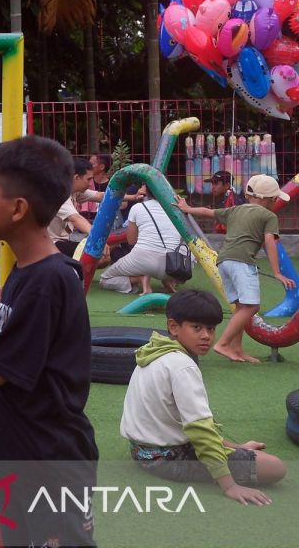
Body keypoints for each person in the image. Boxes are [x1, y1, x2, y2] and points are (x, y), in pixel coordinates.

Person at [0, 136, 98, 548]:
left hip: (49, 459)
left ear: (19, 209)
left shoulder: (49, 280)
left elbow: (0, 371)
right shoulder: (22, 269)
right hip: (17, 449)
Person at [120, 289, 287, 504]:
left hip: (140, 451)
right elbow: (199, 429)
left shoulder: (155, 351)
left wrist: (237, 447)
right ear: (174, 327)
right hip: (166, 459)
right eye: (196, 328)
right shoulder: (182, 366)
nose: (206, 336)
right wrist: (229, 485)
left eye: (211, 328)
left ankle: (234, 450)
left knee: (240, 451)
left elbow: (179, 421)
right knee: (275, 467)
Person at [175, 174, 296, 363]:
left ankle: (236, 349)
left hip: (223, 261)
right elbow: (270, 242)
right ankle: (223, 344)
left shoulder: (235, 210)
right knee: (252, 306)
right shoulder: (269, 216)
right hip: (242, 262)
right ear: (271, 199)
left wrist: (187, 208)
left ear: (249, 196)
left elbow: (208, 212)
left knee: (241, 307)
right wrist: (277, 272)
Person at [99, 183, 185, 295]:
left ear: (147, 192)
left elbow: (131, 241)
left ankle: (140, 279)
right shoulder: (178, 206)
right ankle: (169, 279)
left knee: (105, 279)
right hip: (177, 265)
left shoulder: (138, 207)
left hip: (144, 259)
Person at [48, 157, 96, 255]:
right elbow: (75, 218)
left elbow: (100, 195)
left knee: (98, 253)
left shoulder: (73, 190)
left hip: (60, 241)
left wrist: (133, 197)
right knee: (93, 253)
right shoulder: (59, 193)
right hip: (48, 244)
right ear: (76, 178)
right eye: (89, 179)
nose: (91, 183)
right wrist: (97, 237)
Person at [78, 153, 111, 221]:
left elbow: (123, 204)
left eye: (91, 164)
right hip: (84, 219)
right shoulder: (84, 183)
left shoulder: (111, 184)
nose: (87, 167)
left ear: (102, 167)